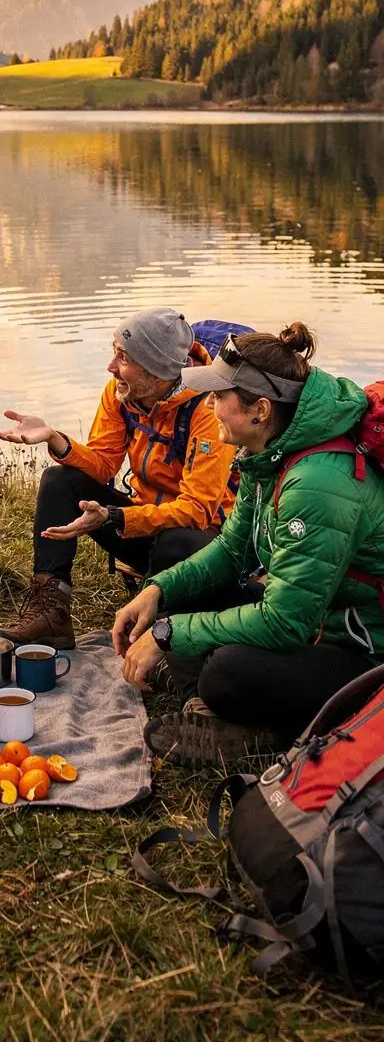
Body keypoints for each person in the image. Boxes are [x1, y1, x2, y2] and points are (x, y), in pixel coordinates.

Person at [112, 323, 384, 766]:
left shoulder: (316, 484)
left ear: (259, 409)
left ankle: (256, 729)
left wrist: (168, 633)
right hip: (315, 619)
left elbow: (284, 624)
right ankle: (209, 710)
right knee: (181, 563)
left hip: (364, 653)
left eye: (220, 397)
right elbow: (231, 550)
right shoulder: (269, 453)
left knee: (227, 670)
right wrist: (157, 590)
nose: (210, 405)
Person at [0, 308, 238, 648]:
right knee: (59, 480)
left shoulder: (207, 409)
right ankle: (50, 614)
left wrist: (117, 516)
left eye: (123, 358)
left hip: (202, 545)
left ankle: (157, 637)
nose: (110, 367)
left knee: (176, 540)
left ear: (156, 370)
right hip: (141, 526)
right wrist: (56, 440)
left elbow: (197, 511)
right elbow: (104, 464)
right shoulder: (121, 393)